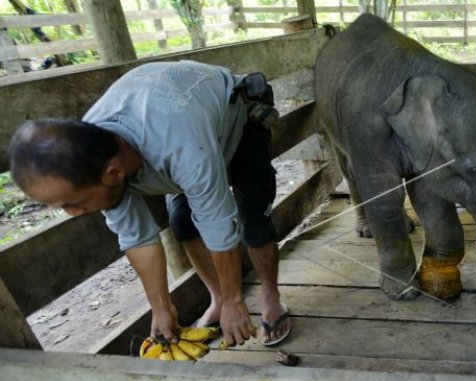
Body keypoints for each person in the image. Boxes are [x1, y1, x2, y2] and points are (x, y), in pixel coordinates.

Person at [8, 60, 293, 347]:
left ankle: (270, 297)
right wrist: (161, 307)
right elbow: (136, 237)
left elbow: (218, 224)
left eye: (74, 203)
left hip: (234, 117)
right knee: (182, 222)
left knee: (254, 218)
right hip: (178, 129)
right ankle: (218, 298)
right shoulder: (93, 154)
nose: (73, 213)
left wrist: (237, 299)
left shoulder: (182, 148)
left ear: (114, 174)